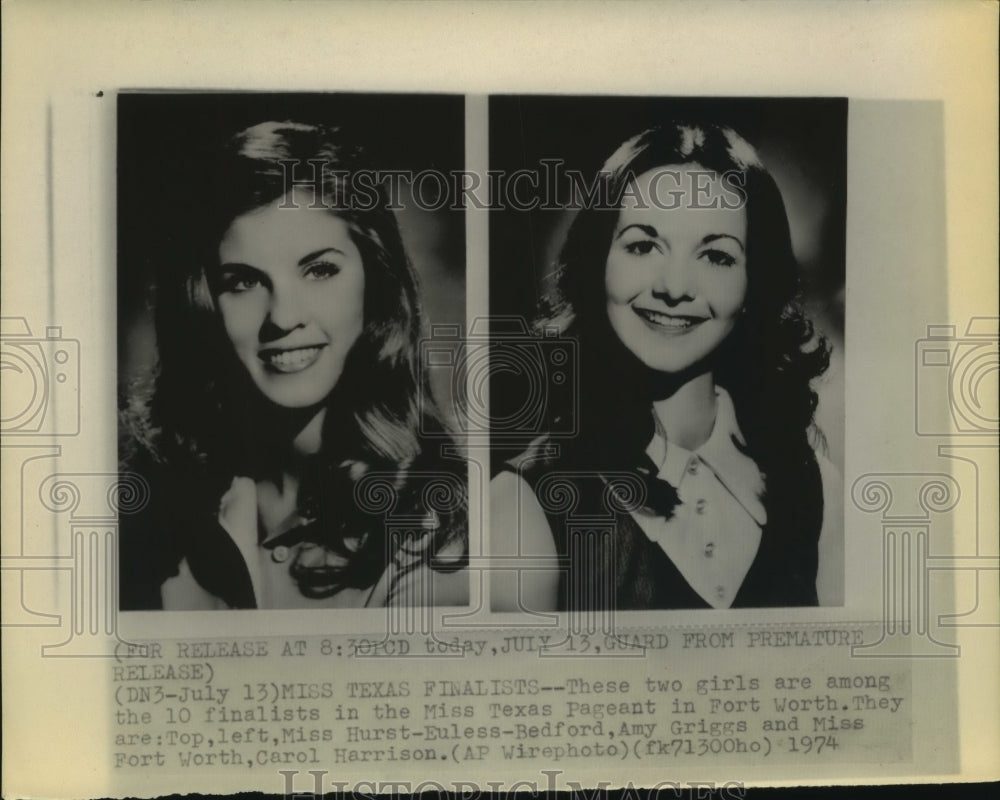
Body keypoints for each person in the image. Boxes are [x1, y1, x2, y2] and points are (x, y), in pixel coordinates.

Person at [491, 122, 842, 612]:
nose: (675, 287)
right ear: (598, 262)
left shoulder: (814, 483)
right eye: (642, 245)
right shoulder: (521, 504)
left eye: (717, 256)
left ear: (753, 284)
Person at [120, 121, 468, 610]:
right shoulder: (151, 519)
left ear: (376, 285)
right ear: (204, 304)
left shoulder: (441, 538)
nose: (283, 317)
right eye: (242, 281)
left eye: (320, 270)